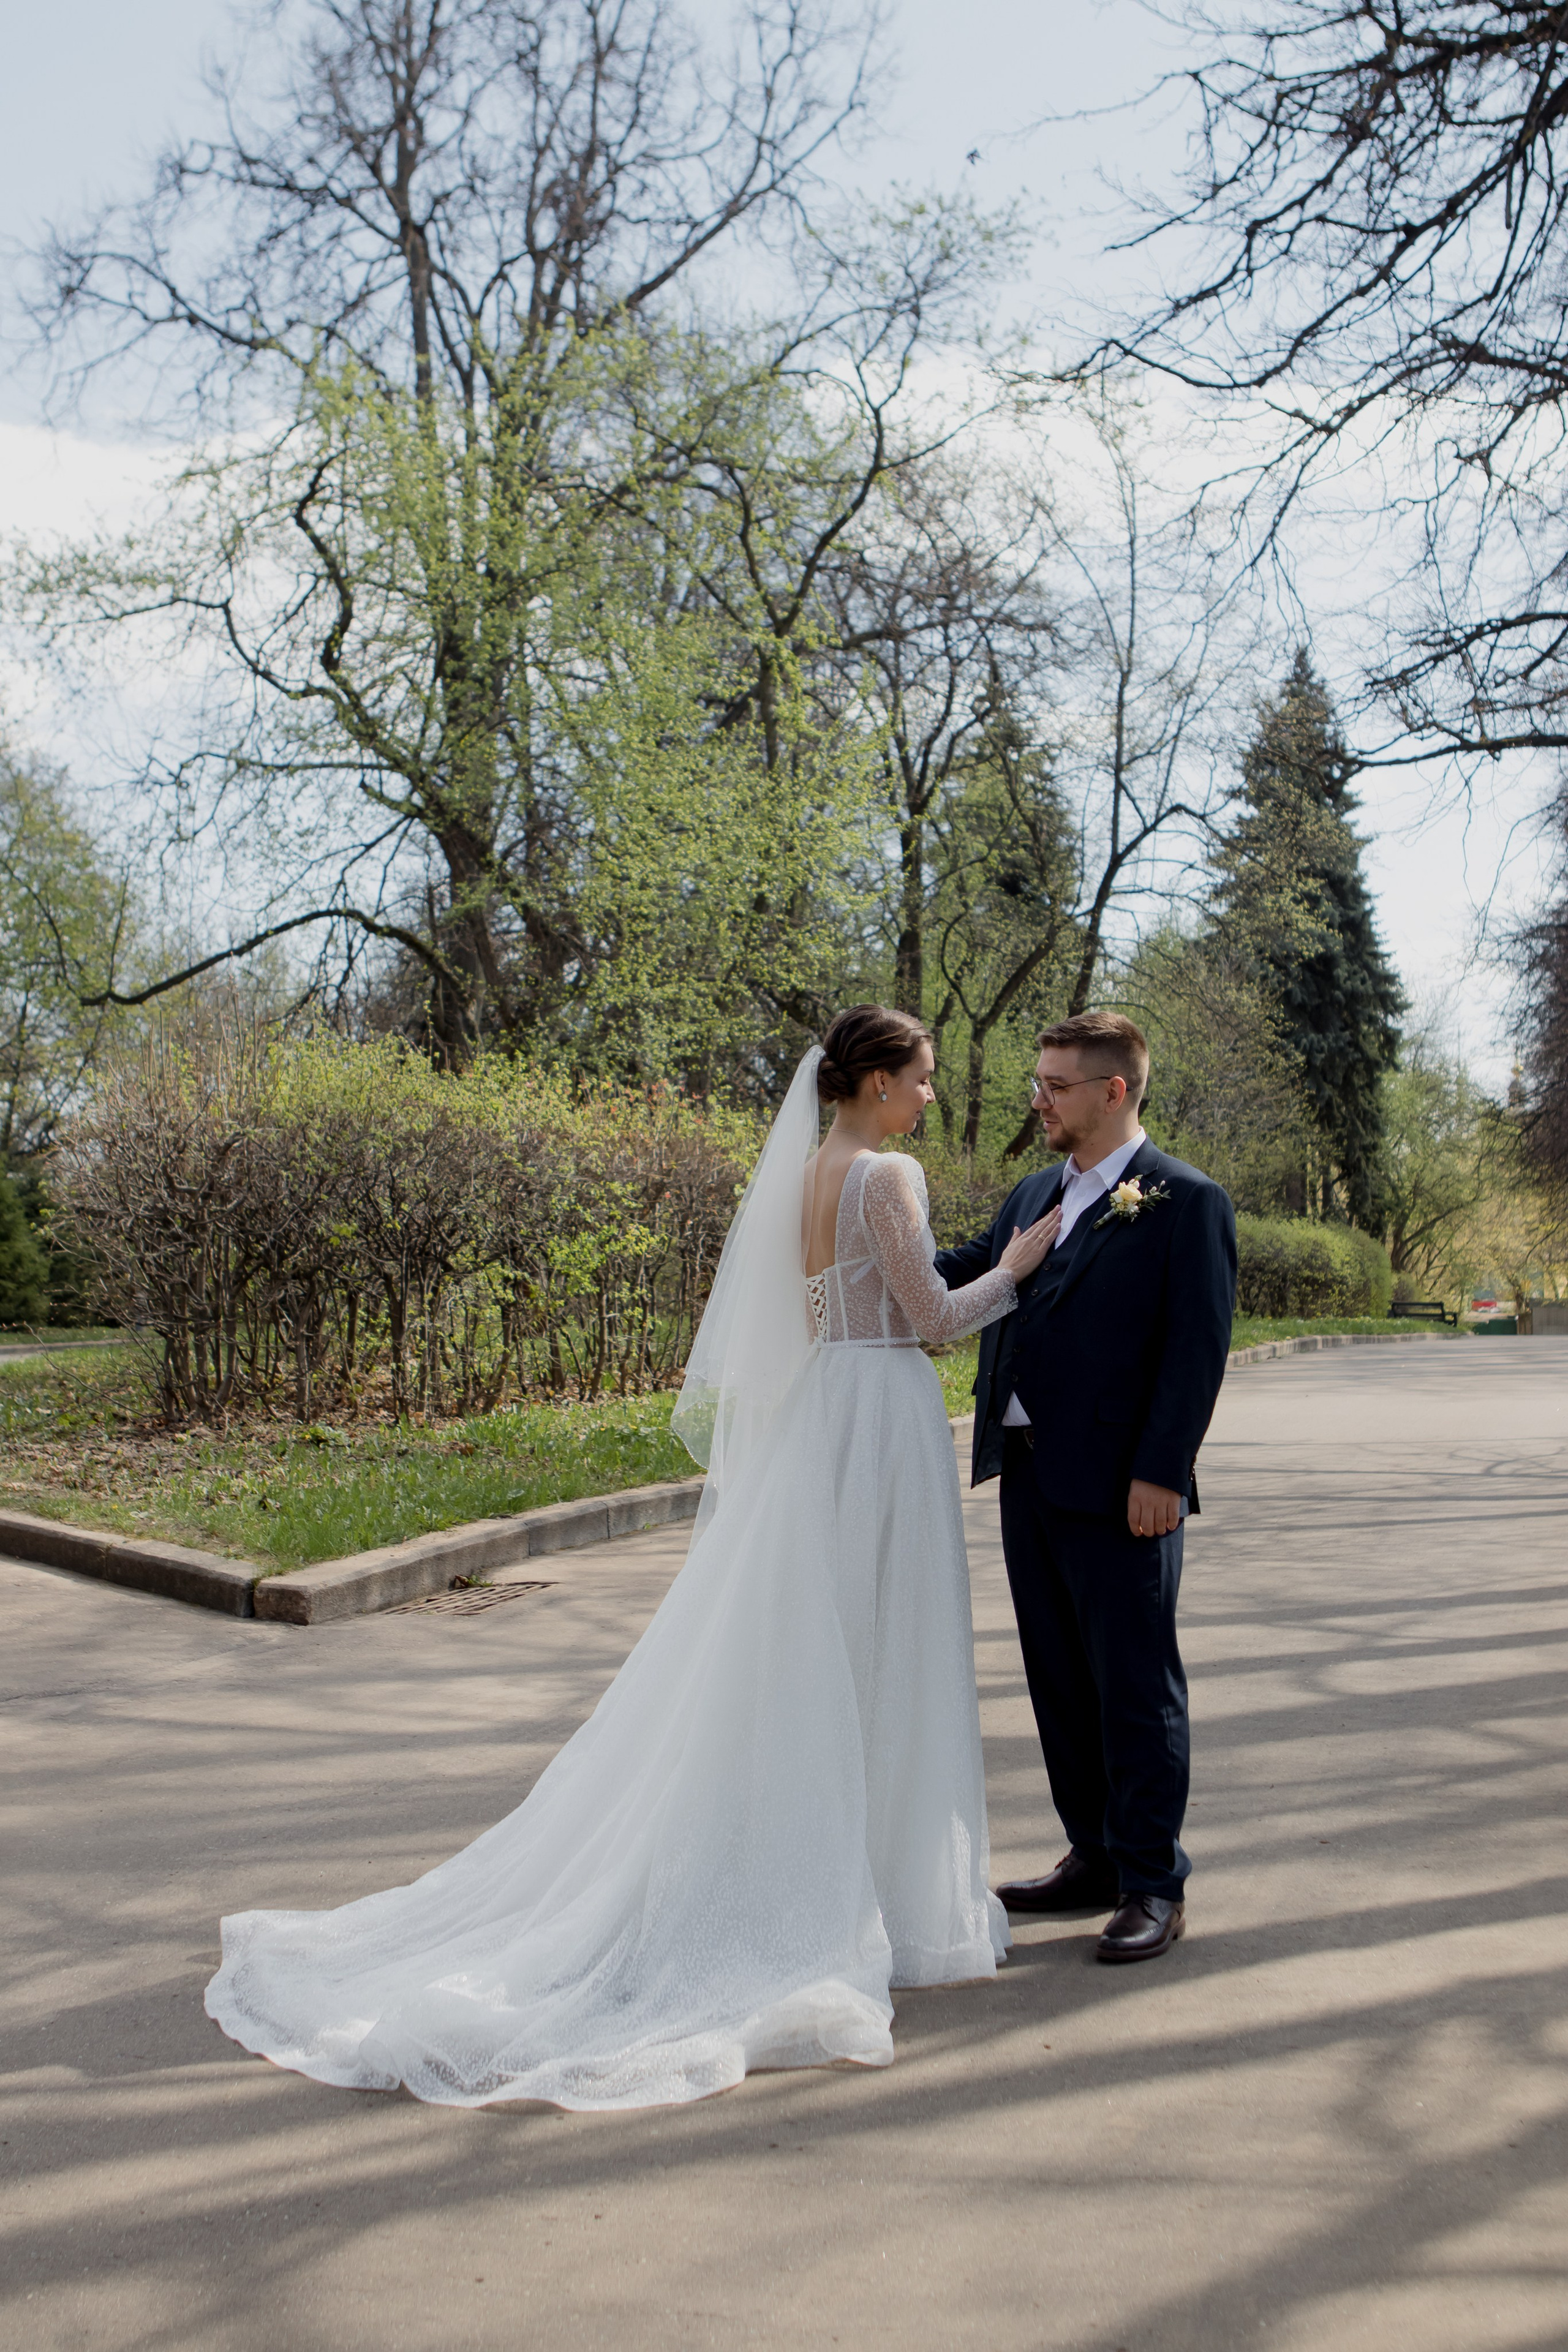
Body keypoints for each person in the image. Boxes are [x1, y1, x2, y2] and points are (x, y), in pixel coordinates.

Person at [205, 1007, 1059, 2109]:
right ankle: (869, 1899)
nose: (932, 1097)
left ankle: (847, 1880)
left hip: (823, 1424)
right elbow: (934, 1318)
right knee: (879, 1646)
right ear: (878, 1083)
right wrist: (1024, 1264)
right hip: (881, 1423)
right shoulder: (884, 1174)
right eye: (924, 1079)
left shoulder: (807, 1171)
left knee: (823, 1654)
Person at [935, 1012, 1237, 1963]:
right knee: (1058, 1676)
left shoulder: (1186, 1201)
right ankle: (1093, 1856)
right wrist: (847, 1249)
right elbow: (959, 1274)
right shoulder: (1034, 1188)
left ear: (1114, 1091)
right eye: (1038, 1081)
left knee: (1134, 1687)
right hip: (1028, 1476)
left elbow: (1195, 1351)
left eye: (1056, 1086)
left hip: (1123, 1488)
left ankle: (1153, 1880)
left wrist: (1162, 1471)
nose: (1040, 1099)